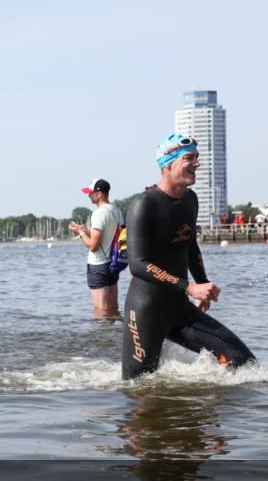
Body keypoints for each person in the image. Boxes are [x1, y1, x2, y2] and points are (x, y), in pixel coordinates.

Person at [122, 134, 255, 379]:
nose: (197, 163)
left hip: (179, 308)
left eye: (197, 157)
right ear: (168, 165)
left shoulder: (190, 200)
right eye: (189, 158)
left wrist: (202, 283)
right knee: (139, 387)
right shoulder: (144, 204)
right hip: (146, 311)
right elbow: (138, 265)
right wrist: (189, 288)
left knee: (241, 361)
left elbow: (190, 246)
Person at [68, 178, 124, 318]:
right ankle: (115, 336)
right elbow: (109, 236)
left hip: (98, 265)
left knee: (101, 312)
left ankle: (101, 339)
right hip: (113, 263)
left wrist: (80, 233)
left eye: (91, 193)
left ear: (99, 194)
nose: (89, 196)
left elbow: (93, 246)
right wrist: (85, 230)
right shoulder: (117, 211)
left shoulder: (98, 213)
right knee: (113, 309)